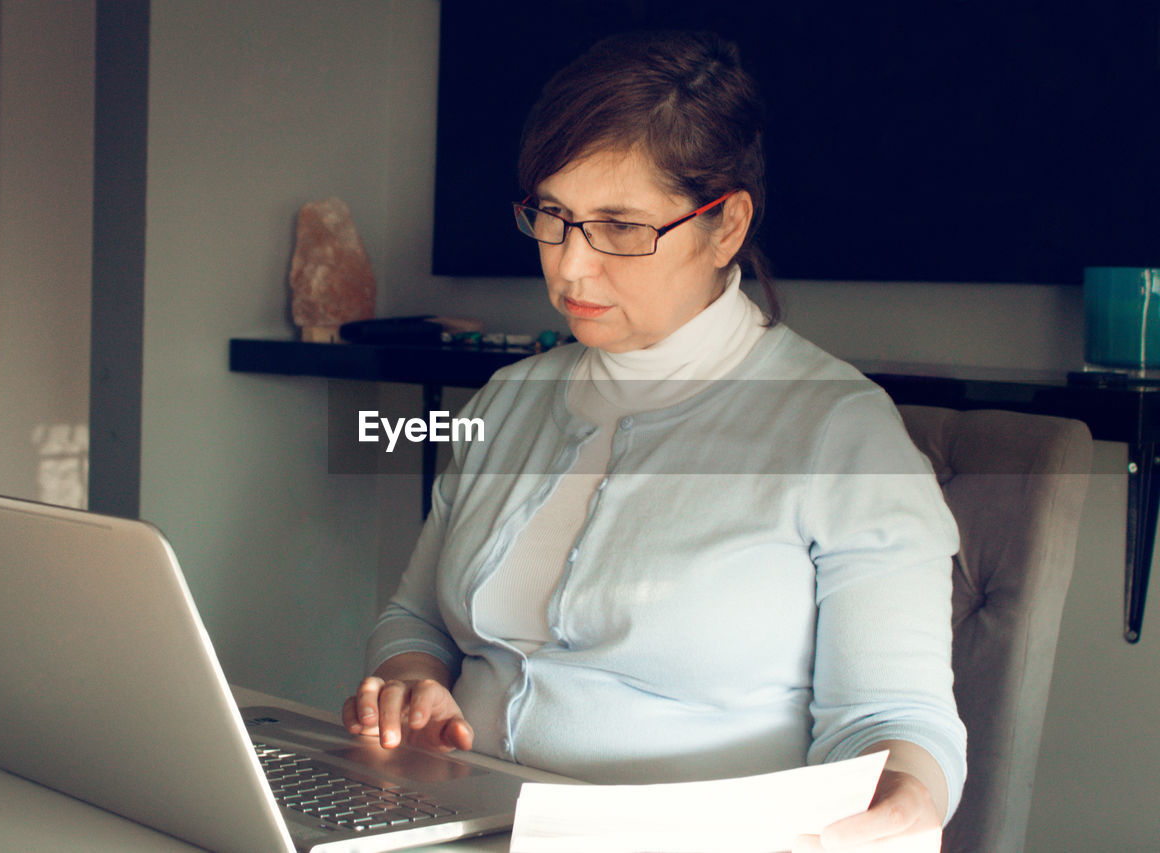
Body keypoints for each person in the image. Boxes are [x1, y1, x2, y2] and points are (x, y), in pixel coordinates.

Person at [343, 30, 965, 850]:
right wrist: (411, 686)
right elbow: (415, 621)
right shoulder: (510, 400)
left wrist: (901, 799)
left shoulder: (842, 431)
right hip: (456, 824)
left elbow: (892, 720)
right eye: (553, 217)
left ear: (726, 225)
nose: (569, 269)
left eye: (622, 227)